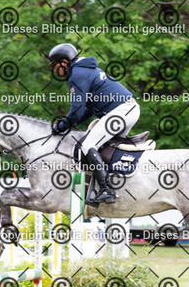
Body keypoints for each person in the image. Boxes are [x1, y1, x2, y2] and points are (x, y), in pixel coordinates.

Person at [48, 43, 140, 204]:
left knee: (88, 145)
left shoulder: (77, 74)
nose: (56, 71)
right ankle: (114, 186)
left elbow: (76, 110)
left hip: (121, 111)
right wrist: (71, 123)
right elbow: (88, 110)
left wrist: (62, 126)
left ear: (65, 62)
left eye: (56, 66)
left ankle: (106, 190)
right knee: (104, 147)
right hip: (128, 110)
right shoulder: (84, 70)